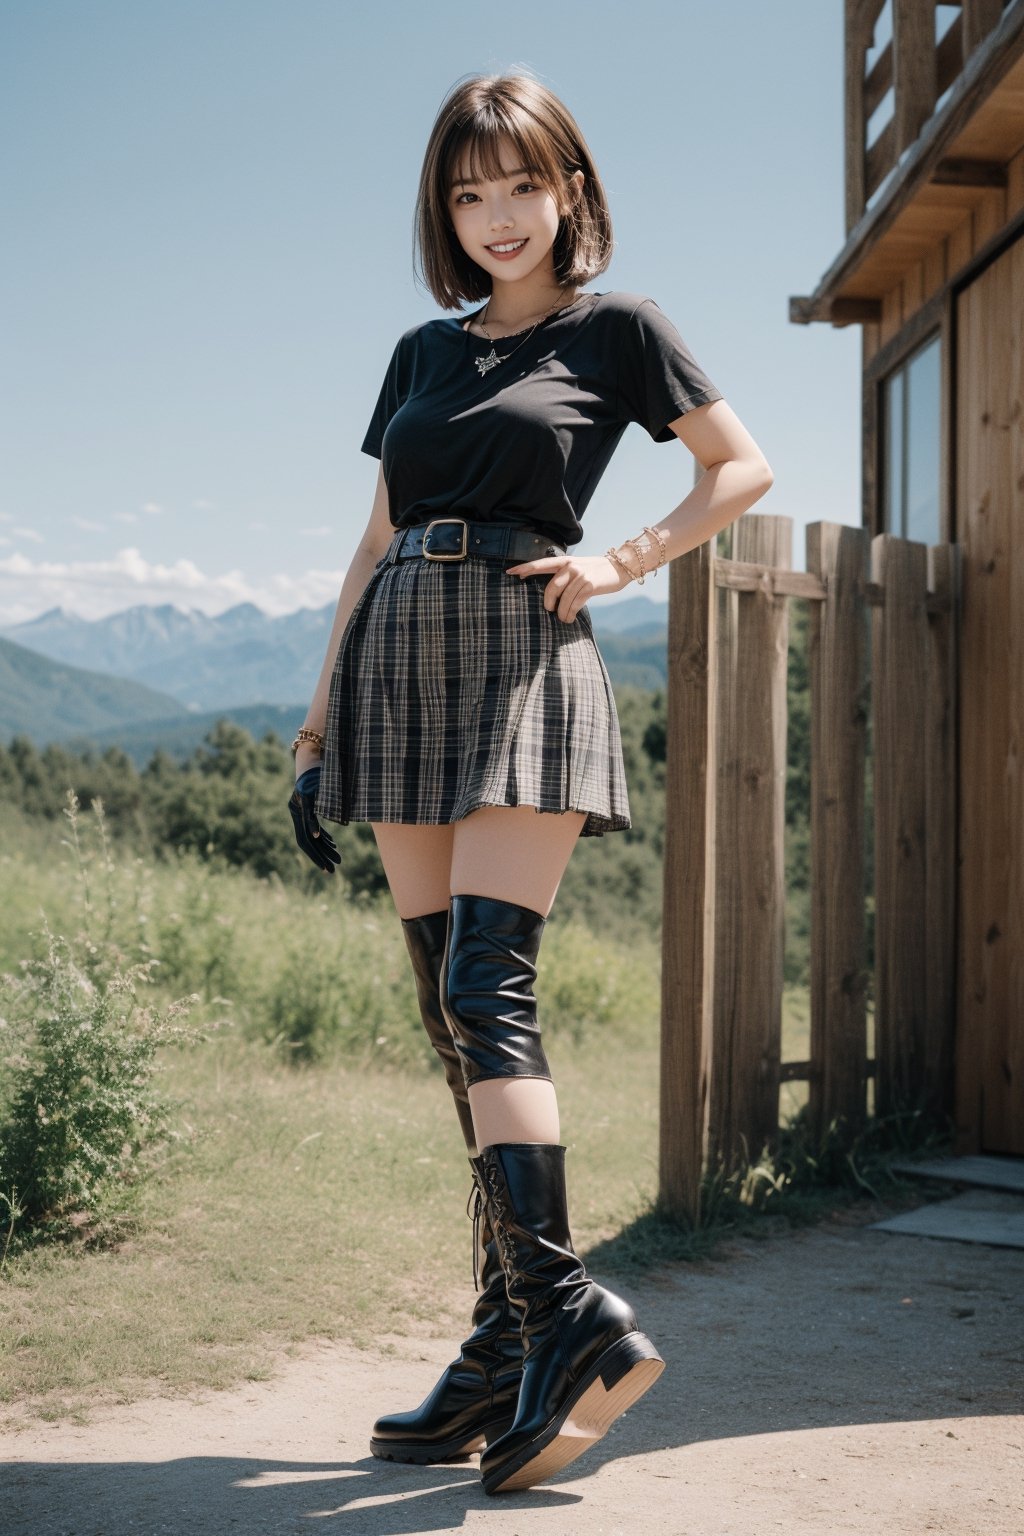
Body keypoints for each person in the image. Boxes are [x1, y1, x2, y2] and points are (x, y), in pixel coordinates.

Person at [287, 72, 773, 1496]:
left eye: (521, 186)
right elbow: (374, 538)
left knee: (489, 990)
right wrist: (320, 709)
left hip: (521, 654)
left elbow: (738, 469)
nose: (498, 217)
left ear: (571, 191)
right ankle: (508, 1336)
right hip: (395, 661)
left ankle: (571, 1317)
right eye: (468, 191)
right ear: (447, 209)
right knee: (447, 1009)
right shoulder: (420, 355)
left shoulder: (619, 330)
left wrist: (620, 560)